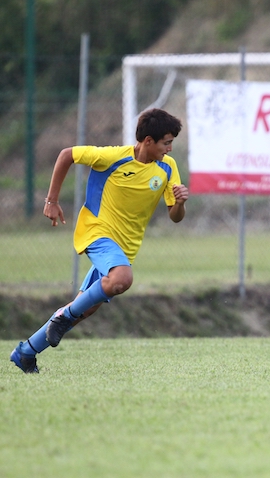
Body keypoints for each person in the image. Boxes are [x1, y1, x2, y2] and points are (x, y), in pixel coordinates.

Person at [9, 108, 189, 373]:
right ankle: (62, 317)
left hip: (123, 249)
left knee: (88, 306)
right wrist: (52, 201)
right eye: (167, 142)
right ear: (148, 141)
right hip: (97, 232)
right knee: (122, 280)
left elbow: (175, 217)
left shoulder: (167, 168)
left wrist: (180, 203)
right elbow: (66, 154)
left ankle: (26, 352)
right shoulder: (113, 157)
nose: (170, 149)